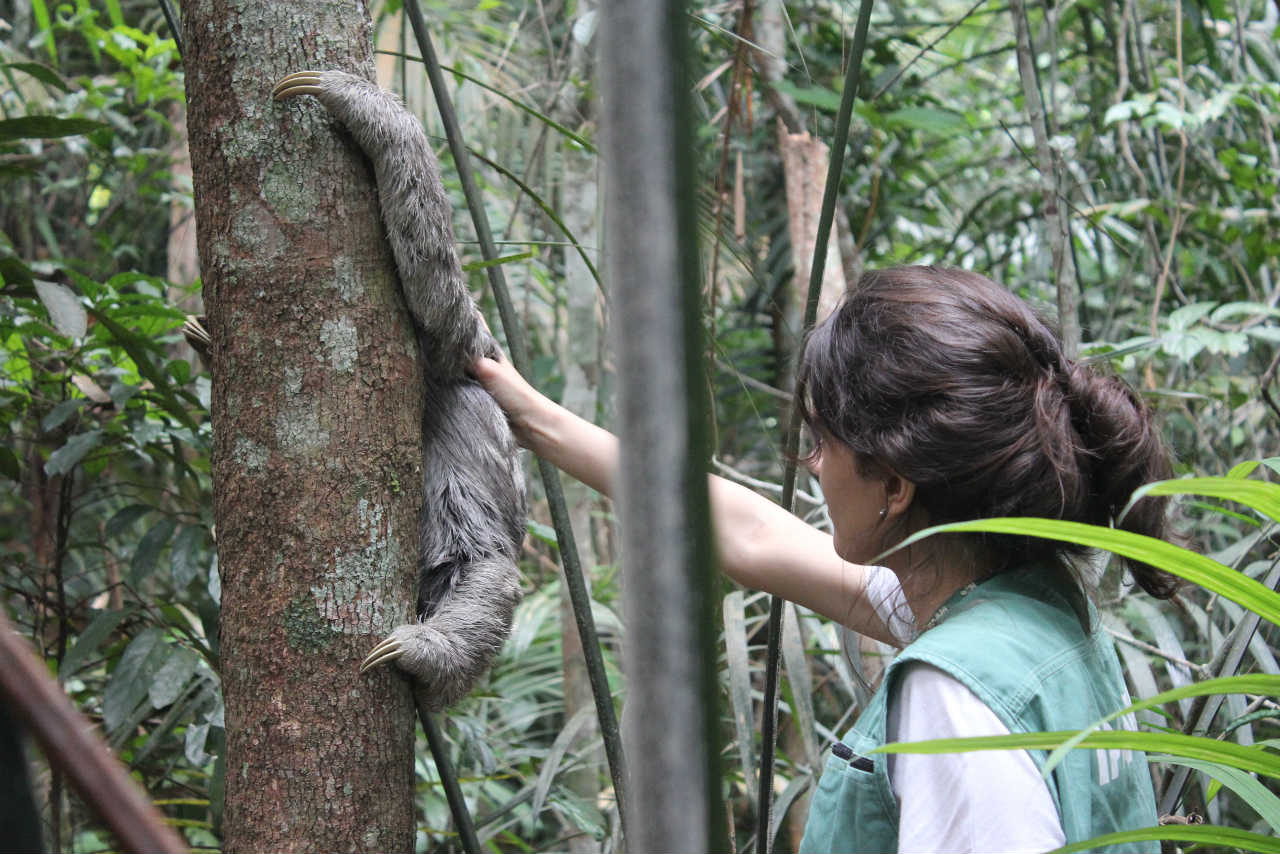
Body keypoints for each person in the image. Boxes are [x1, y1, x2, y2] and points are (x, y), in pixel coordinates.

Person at [471, 266, 1174, 853]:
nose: (811, 464)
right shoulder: (1024, 603)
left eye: (822, 442)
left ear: (895, 487)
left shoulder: (952, 697)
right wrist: (534, 419)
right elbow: (754, 539)